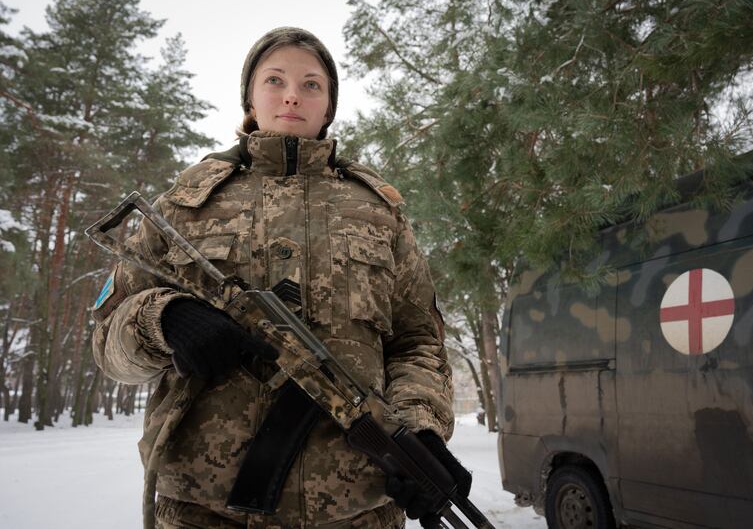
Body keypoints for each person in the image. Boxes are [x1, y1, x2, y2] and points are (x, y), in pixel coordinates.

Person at [91, 27, 470, 529]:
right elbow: (107, 344)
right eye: (275, 79)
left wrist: (419, 432)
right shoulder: (182, 207)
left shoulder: (380, 214)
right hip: (203, 513)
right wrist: (163, 319)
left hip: (357, 513)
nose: (293, 93)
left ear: (329, 105)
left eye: (312, 84)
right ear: (249, 96)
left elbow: (417, 342)